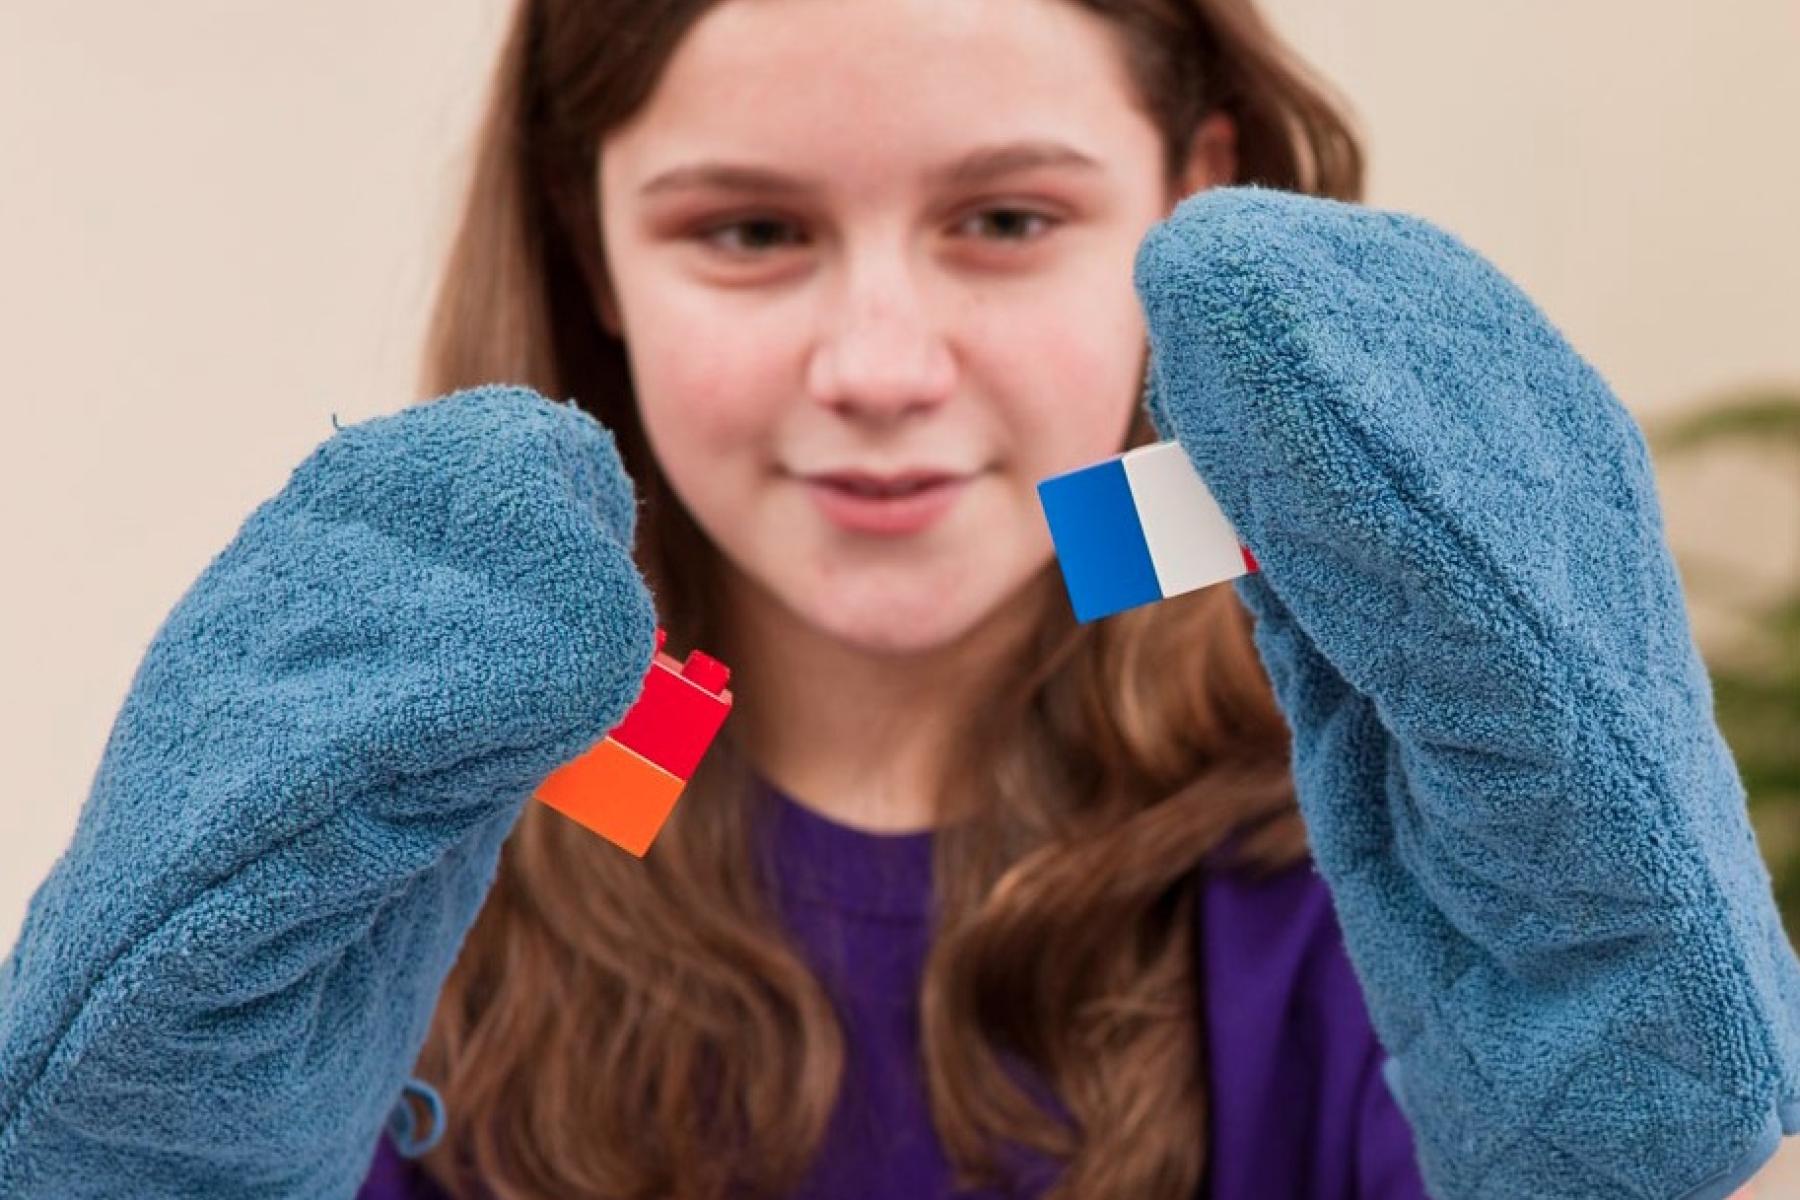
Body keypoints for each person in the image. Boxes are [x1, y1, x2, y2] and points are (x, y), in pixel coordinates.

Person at [0, 1, 1787, 1198]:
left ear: (1202, 193)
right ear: (587, 240)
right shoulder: (379, 869)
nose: (877, 365)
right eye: (751, 231)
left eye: (1006, 221)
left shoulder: (1406, 867)